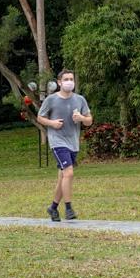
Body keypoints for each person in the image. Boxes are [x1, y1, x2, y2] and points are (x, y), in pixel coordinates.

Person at [36, 70, 92, 221]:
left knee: (63, 177)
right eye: (66, 79)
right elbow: (40, 117)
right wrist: (52, 123)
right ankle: (69, 209)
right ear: (59, 82)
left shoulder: (80, 99)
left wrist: (81, 118)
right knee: (69, 173)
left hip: (73, 142)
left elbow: (89, 120)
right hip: (57, 141)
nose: (69, 82)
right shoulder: (51, 99)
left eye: (71, 79)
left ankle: (53, 208)